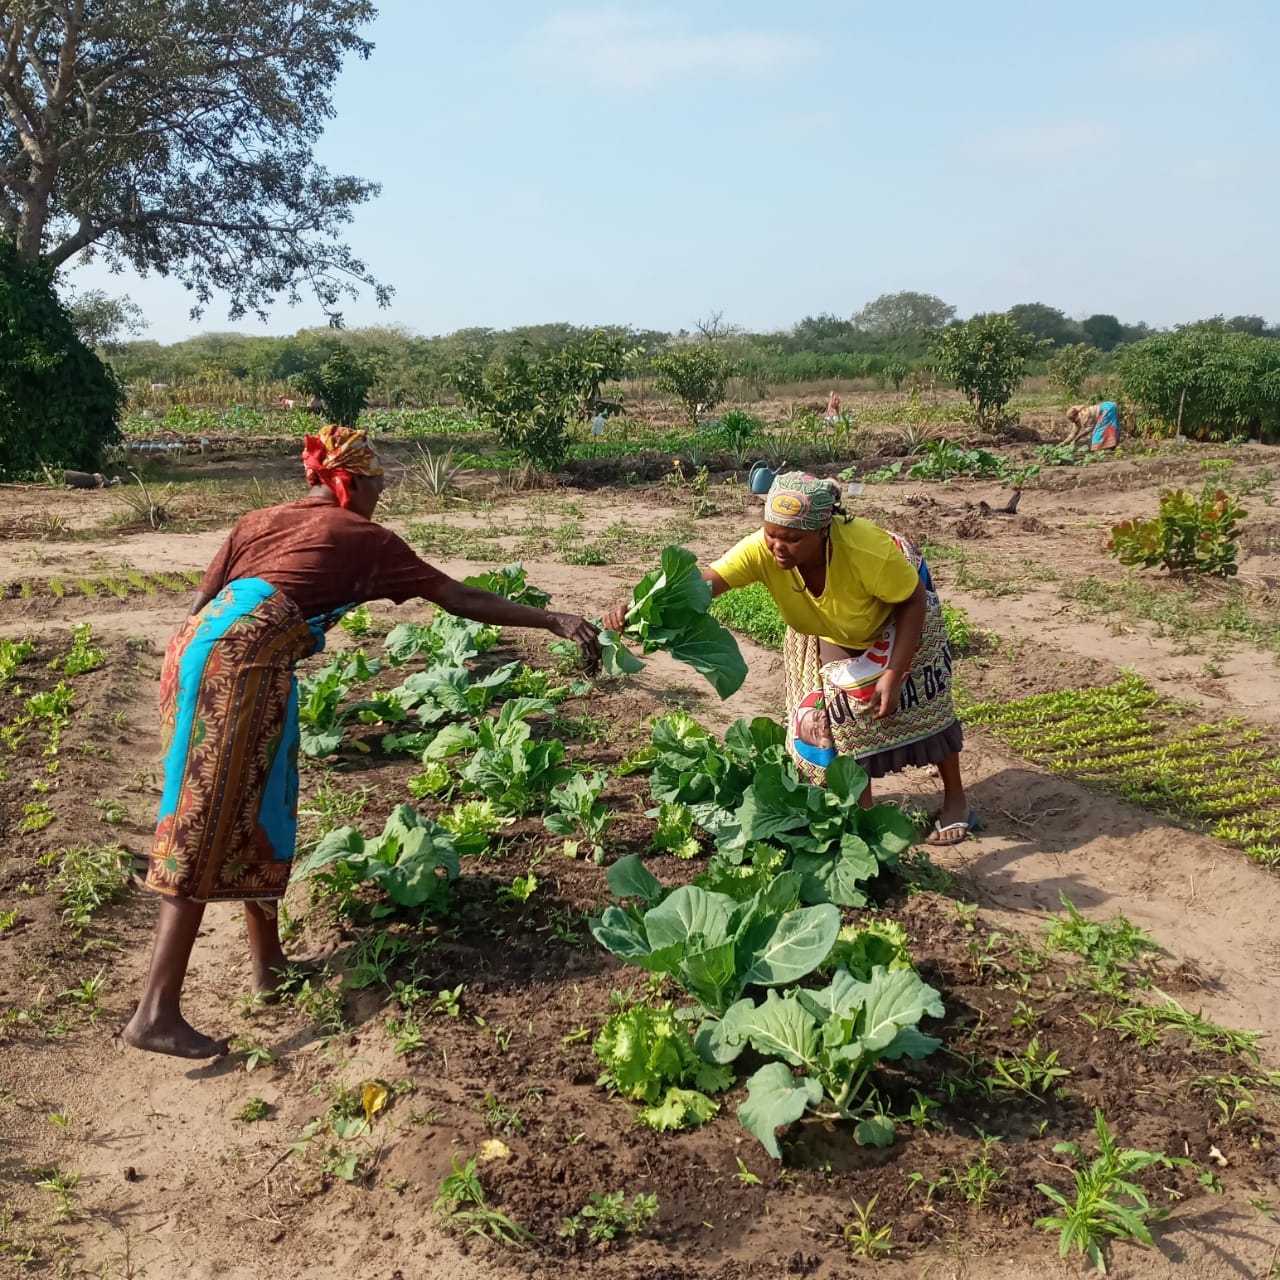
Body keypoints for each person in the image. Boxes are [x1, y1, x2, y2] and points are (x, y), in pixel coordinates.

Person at [123, 425, 600, 1060]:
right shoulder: (360, 535)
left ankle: (269, 967)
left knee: (268, 805)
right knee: (204, 821)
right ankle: (155, 1012)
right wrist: (553, 619)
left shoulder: (261, 518)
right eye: (377, 484)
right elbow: (456, 596)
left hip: (203, 652)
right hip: (243, 664)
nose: (381, 495)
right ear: (350, 482)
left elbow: (203, 601)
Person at [606, 472, 974, 844]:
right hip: (825, 626)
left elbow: (911, 600)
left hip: (901, 611)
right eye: (772, 534)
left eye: (793, 539)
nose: (778, 547)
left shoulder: (867, 551)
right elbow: (703, 584)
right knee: (834, 718)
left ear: (823, 531)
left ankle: (956, 800)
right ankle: (862, 823)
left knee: (926, 702)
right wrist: (639, 609)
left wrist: (894, 672)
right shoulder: (763, 550)